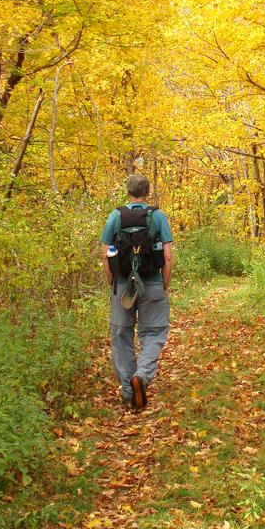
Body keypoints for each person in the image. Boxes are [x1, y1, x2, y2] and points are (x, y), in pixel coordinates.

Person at [100, 174, 173, 412]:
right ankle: (141, 376)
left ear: (128, 192)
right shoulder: (157, 216)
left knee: (121, 334)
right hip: (152, 283)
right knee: (154, 332)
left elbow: (105, 254)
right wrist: (164, 283)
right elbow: (168, 255)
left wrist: (113, 282)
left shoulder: (116, 216)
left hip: (123, 284)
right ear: (147, 192)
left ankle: (128, 391)